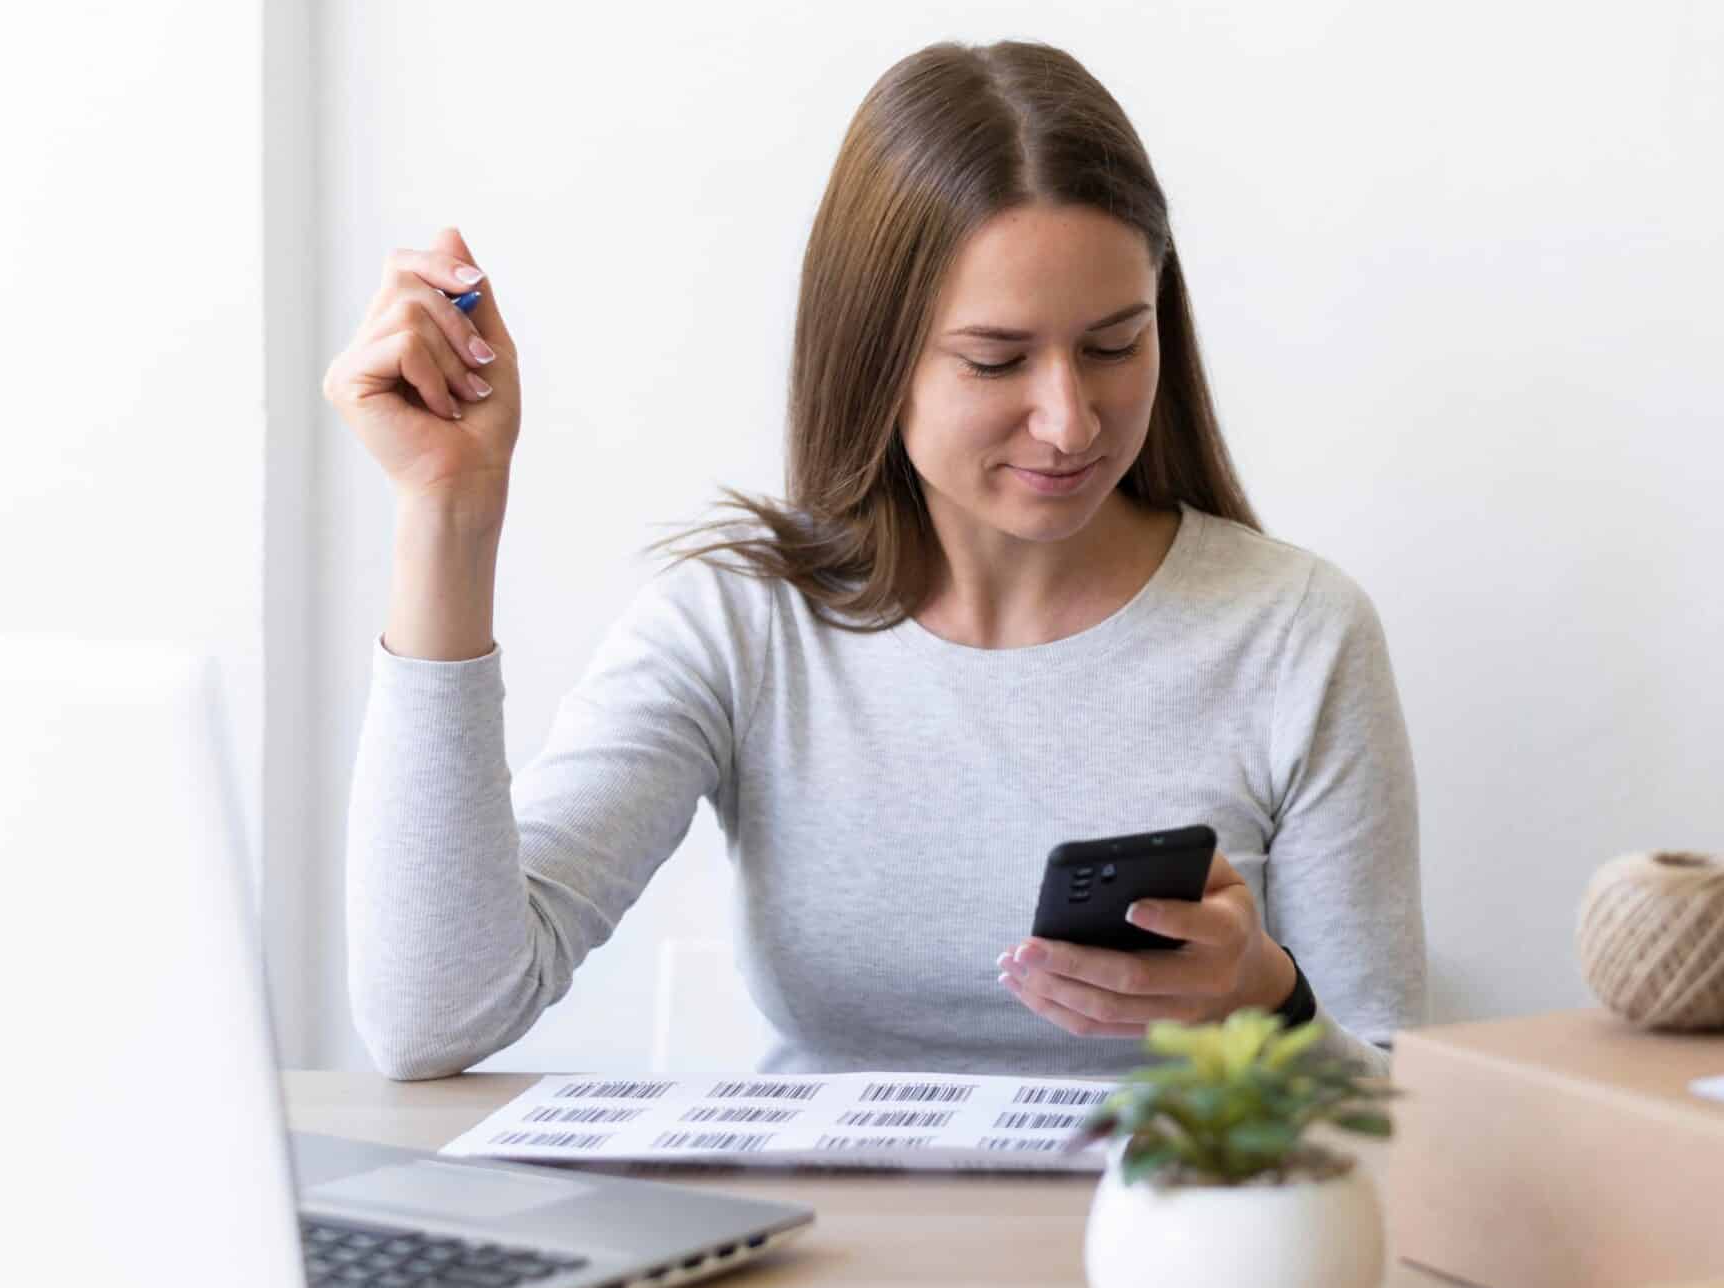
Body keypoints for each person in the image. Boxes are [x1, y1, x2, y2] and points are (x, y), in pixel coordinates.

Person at [325, 39, 1425, 1081]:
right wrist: (449, 511)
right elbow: (433, 1014)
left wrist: (1266, 998)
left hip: (1179, 1259)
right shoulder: (740, 629)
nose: (1070, 421)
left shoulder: (1294, 632)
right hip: (824, 1262)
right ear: (875, 356)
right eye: (996, 360)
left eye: (1113, 346)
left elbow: (1394, 1114)